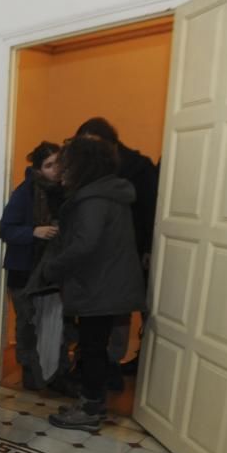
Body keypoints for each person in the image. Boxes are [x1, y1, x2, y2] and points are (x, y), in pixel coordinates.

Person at [40, 136, 146, 430]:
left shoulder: (93, 199)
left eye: (67, 162)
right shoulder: (109, 193)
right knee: (94, 345)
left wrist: (53, 267)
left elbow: (84, 244)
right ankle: (91, 401)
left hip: (99, 285)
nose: (63, 169)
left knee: (92, 348)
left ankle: (90, 408)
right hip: (106, 282)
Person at [75, 118, 158, 383]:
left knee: (118, 310)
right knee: (93, 321)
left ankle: (110, 364)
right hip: (96, 255)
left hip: (127, 249)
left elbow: (150, 211)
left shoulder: (139, 168)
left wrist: (148, 248)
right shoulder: (86, 170)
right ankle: (91, 368)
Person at [0, 141, 63, 390]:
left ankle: (54, 374)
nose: (55, 170)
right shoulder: (25, 192)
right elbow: (6, 229)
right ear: (38, 169)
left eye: (59, 163)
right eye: (49, 165)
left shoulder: (67, 192)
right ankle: (30, 374)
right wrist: (34, 231)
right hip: (23, 271)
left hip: (53, 272)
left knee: (55, 326)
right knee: (27, 323)